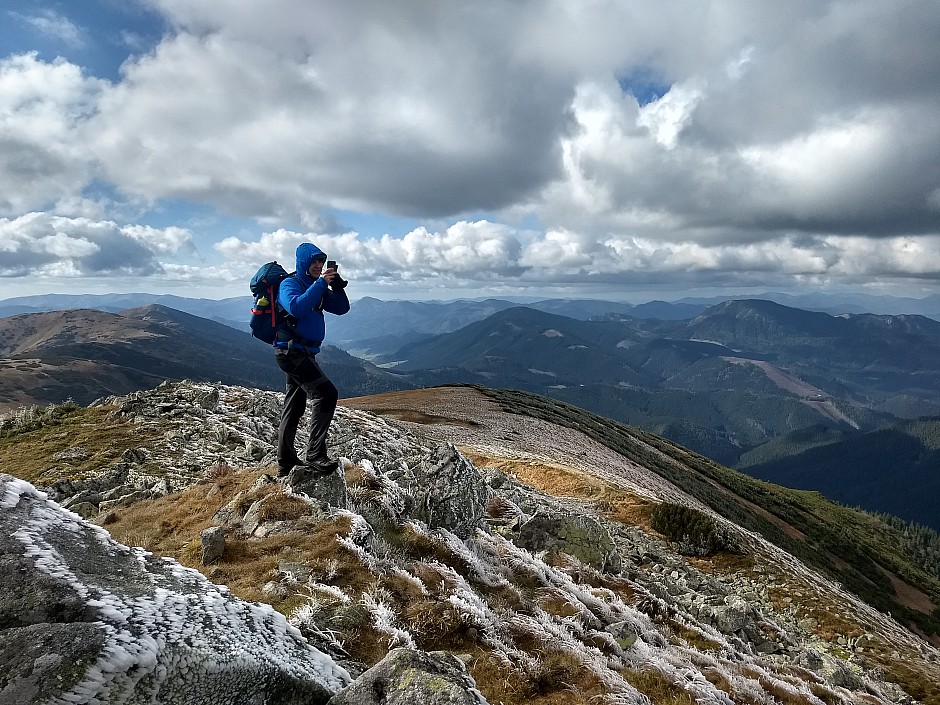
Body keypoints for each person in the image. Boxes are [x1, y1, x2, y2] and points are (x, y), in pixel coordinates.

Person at [274, 242, 350, 477]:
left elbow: (342, 308)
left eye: (321, 261)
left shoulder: (314, 286)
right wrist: (321, 284)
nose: (318, 265)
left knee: (294, 406)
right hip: (291, 353)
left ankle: (285, 462)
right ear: (303, 262)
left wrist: (337, 287)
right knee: (327, 394)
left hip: (304, 353)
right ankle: (315, 454)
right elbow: (296, 307)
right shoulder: (289, 284)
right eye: (314, 261)